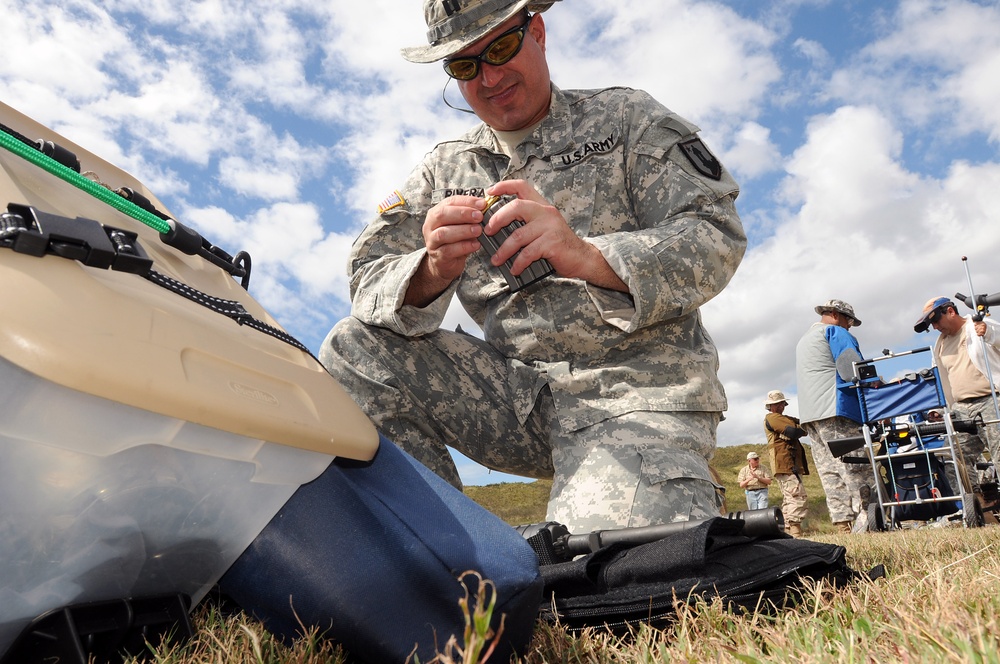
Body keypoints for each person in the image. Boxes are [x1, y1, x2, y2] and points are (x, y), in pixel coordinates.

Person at [319, 0, 746, 533]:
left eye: (499, 48)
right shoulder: (444, 169)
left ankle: (668, 482)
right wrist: (431, 269)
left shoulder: (625, 119)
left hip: (638, 392)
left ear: (537, 31)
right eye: (464, 67)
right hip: (519, 401)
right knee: (353, 347)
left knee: (607, 573)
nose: (490, 77)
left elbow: (715, 233)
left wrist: (589, 255)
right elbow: (365, 274)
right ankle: (450, 552)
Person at [795, 299, 870, 533]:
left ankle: (842, 523)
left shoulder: (804, 340)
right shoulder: (834, 331)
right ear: (836, 315)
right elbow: (851, 368)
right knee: (854, 464)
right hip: (837, 408)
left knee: (829, 469)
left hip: (811, 414)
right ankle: (868, 517)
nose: (849, 327)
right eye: (849, 321)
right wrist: (876, 384)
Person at [914, 296, 1000, 492]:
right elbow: (940, 378)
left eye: (936, 320)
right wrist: (937, 408)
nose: (935, 327)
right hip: (961, 409)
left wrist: (990, 333)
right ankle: (974, 504)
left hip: (992, 400)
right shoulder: (940, 345)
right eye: (930, 324)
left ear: (951, 311)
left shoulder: (979, 325)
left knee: (999, 452)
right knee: (952, 454)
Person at [763, 390, 809, 538]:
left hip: (788, 464)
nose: (782, 405)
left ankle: (788, 532)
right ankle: (795, 531)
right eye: (780, 403)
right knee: (797, 496)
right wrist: (798, 429)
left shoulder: (783, 418)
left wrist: (798, 428)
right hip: (785, 463)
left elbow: (799, 428)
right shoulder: (773, 418)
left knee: (789, 498)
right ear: (775, 405)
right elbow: (793, 432)